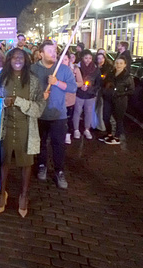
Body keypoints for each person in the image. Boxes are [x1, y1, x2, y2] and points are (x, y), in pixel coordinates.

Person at [0, 48, 45, 218]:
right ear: (9, 60)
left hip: (26, 127)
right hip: (6, 126)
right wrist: (3, 102)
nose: (17, 60)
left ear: (26, 60)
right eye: (14, 57)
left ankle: (23, 195)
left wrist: (20, 102)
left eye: (20, 57)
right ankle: (2, 193)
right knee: (4, 161)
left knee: (26, 163)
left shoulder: (34, 81)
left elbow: (39, 108)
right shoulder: (1, 78)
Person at [30, 41, 77, 189]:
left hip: (59, 115)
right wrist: (39, 96)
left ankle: (59, 171)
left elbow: (73, 87)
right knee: (41, 143)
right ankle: (42, 165)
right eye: (49, 50)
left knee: (59, 145)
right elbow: (27, 89)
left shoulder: (63, 69)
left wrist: (57, 83)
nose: (54, 53)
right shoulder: (33, 69)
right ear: (40, 54)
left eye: (55, 50)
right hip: (40, 114)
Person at [100, 55, 134, 144]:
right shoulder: (111, 74)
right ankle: (109, 134)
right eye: (117, 63)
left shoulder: (127, 77)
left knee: (118, 118)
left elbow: (131, 90)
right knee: (106, 116)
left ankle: (117, 137)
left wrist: (120, 93)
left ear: (125, 65)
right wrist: (105, 90)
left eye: (121, 63)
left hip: (120, 100)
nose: (118, 65)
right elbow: (105, 83)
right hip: (108, 98)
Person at [72, 50, 101, 140]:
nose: (88, 60)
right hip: (79, 94)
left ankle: (87, 129)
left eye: (90, 58)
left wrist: (91, 89)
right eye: (86, 58)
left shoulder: (96, 69)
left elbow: (98, 83)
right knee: (77, 111)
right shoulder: (77, 68)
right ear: (82, 58)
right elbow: (73, 81)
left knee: (88, 112)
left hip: (90, 95)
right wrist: (80, 87)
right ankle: (76, 129)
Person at [63, 51, 83, 145]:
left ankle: (68, 134)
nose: (64, 61)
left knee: (69, 117)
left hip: (70, 98)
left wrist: (70, 85)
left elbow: (80, 82)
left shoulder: (74, 69)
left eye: (66, 59)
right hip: (59, 98)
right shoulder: (56, 69)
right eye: (62, 59)